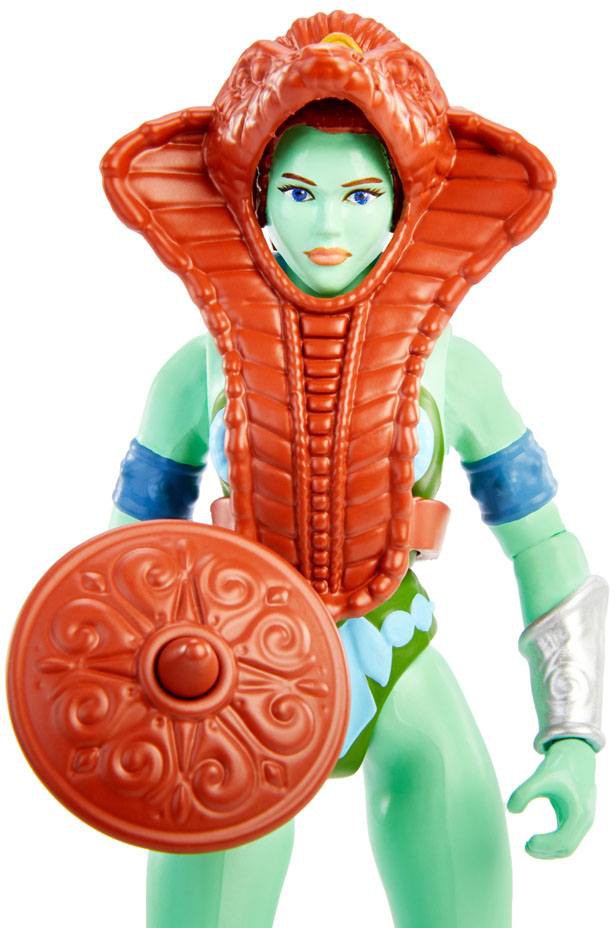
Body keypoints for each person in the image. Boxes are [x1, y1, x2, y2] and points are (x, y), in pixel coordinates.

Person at [100, 12, 607, 928]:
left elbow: (542, 542)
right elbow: (127, 555)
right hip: (231, 676)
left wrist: (573, 734)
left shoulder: (458, 371)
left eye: (361, 195)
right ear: (257, 200)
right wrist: (116, 697)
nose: (329, 223)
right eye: (299, 193)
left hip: (396, 657)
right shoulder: (196, 370)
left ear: (402, 208)